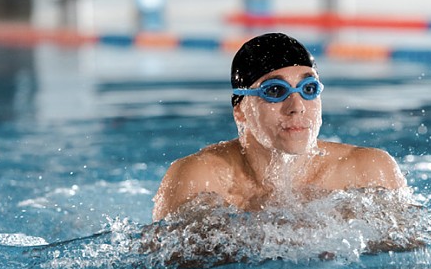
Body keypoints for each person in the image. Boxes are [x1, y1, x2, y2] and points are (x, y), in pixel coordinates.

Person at [152, 32, 406, 221]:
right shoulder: (197, 178)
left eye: (308, 89)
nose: (297, 106)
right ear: (240, 110)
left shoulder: (370, 170)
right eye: (275, 91)